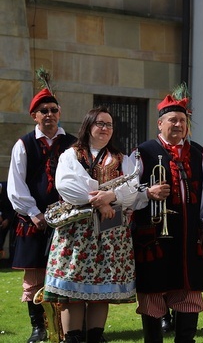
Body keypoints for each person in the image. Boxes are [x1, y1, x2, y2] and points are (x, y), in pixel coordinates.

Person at [42, 107, 139, 342]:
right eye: (100, 123)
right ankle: (72, 338)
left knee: (100, 292)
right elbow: (66, 186)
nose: (105, 129)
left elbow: (133, 191)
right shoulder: (71, 154)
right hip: (76, 231)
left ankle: (96, 336)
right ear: (88, 126)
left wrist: (111, 198)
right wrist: (99, 200)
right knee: (73, 289)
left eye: (109, 125)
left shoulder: (122, 159)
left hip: (110, 232)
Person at [131, 92, 203, 343]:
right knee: (153, 293)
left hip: (189, 235)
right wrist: (148, 193)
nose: (178, 124)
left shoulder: (198, 152)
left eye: (182, 120)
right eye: (172, 120)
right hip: (153, 235)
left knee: (188, 291)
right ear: (160, 123)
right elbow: (126, 193)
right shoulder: (143, 152)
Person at [7, 88, 77, 343]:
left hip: (68, 220)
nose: (49, 114)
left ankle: (69, 330)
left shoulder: (72, 143)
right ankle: (39, 329)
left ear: (60, 113)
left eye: (53, 110)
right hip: (33, 221)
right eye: (43, 111)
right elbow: (16, 184)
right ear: (34, 116)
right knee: (35, 277)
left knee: (68, 274)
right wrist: (34, 213)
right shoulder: (23, 144)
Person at [0, 181, 15, 263]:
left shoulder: (8, 187)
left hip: (12, 217)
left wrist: (7, 219)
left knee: (12, 239)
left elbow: (14, 206)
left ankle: (11, 260)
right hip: (2, 217)